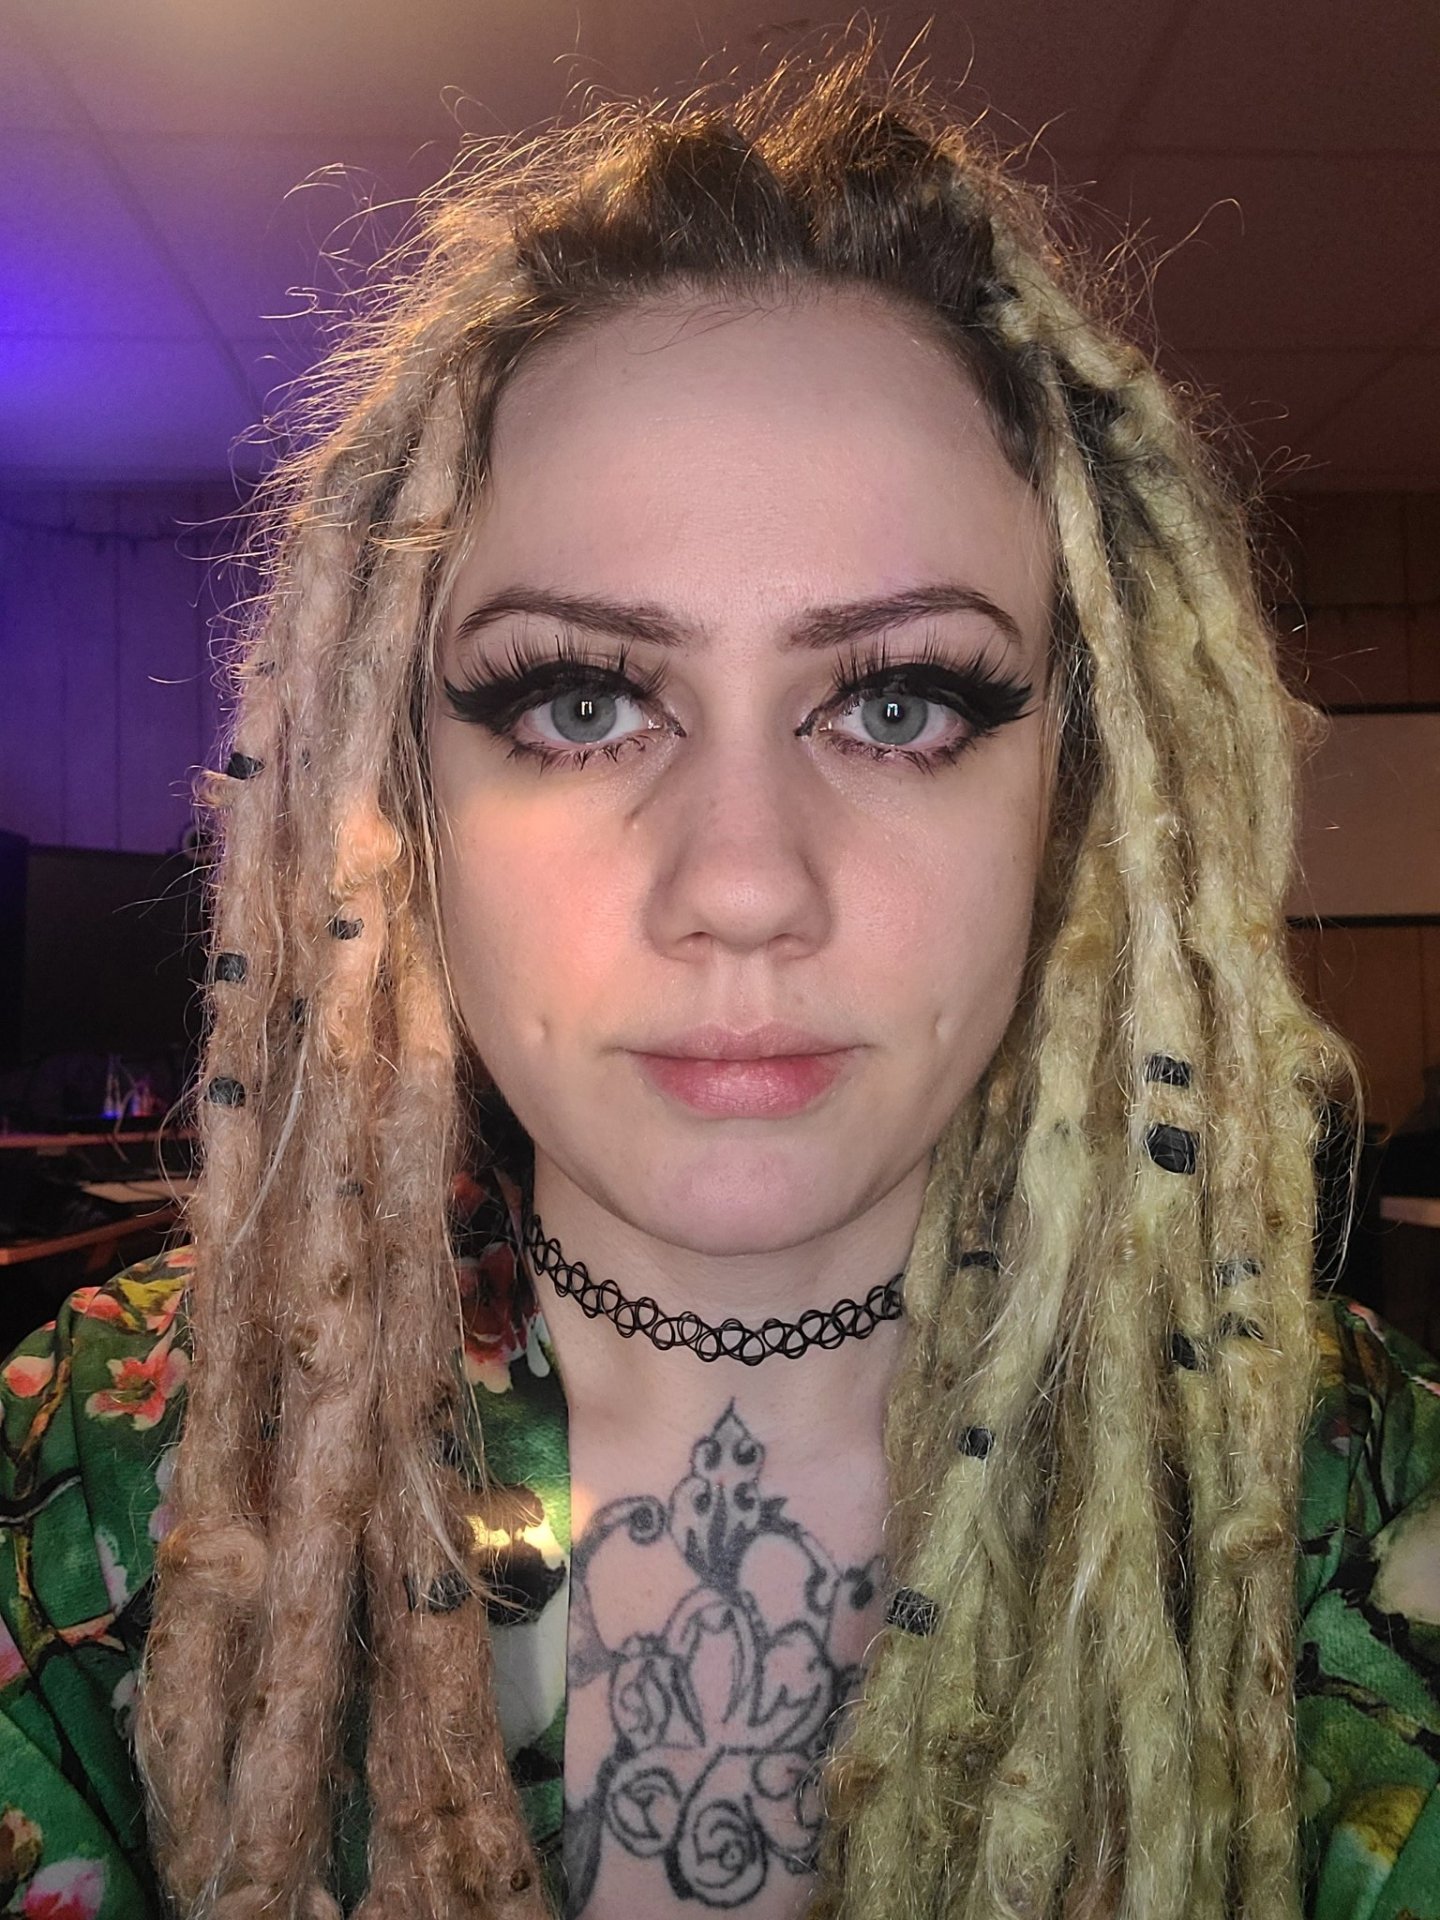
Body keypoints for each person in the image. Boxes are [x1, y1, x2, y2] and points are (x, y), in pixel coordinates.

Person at [1, 44, 1437, 1920]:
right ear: (404, 800)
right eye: (579, 703)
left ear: (1075, 799)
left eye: (900, 704)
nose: (743, 886)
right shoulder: (104, 1480)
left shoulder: (1340, 1503)